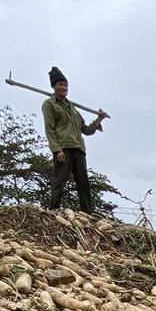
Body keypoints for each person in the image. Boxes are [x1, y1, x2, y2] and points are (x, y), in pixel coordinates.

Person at [42, 66, 108, 213]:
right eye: (60, 84)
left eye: (65, 85)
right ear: (53, 86)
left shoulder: (72, 108)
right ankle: (54, 207)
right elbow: (49, 128)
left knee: (83, 182)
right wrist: (56, 150)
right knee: (60, 180)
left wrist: (99, 119)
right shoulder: (50, 104)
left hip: (79, 149)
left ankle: (87, 212)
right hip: (64, 148)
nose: (63, 87)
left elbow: (86, 130)